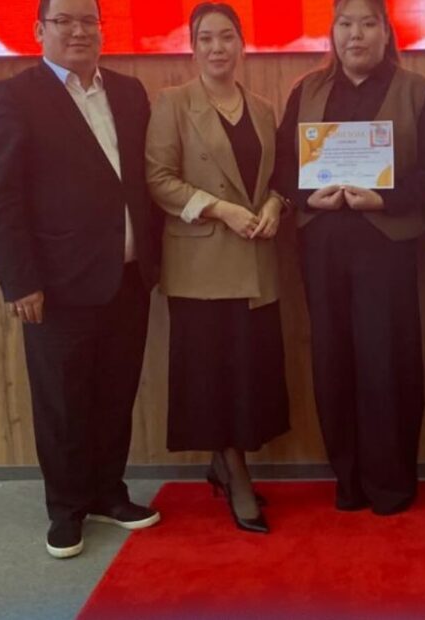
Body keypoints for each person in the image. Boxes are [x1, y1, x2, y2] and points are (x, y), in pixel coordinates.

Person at [0, 0, 161, 559]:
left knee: (115, 393)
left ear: (102, 29)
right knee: (62, 402)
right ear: (40, 30)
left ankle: (108, 492)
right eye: (65, 21)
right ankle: (65, 508)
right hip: (55, 286)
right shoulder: (13, 96)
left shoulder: (129, 92)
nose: (79, 31)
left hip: (128, 277)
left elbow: (142, 179)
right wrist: (19, 281)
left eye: (89, 21)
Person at [273, 0, 425, 516]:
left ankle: (391, 483)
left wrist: (383, 198)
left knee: (386, 362)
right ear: (332, 32)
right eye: (346, 24)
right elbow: (283, 169)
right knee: (333, 361)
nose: (356, 35)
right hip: (322, 246)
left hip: (386, 247)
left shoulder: (417, 91)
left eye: (368, 24)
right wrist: (309, 196)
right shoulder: (306, 91)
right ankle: (347, 481)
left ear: (386, 32)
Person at [145, 2, 290, 534]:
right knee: (213, 375)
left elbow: (280, 176)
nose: (216, 47)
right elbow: (159, 179)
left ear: (242, 44)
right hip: (201, 264)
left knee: (248, 373)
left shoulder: (264, 108)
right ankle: (235, 473)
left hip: (254, 261)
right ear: (192, 46)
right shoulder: (173, 103)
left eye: (226, 36)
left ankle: (224, 465)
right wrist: (220, 208)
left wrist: (275, 204)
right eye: (205, 38)